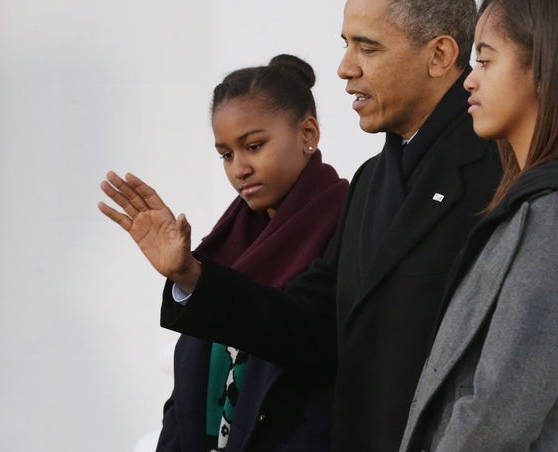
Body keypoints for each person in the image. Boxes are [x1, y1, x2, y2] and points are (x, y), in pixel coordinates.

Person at [98, 0, 503, 451]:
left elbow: (505, 364)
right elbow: (309, 326)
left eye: (367, 48)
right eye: (346, 45)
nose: (344, 68)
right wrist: (191, 276)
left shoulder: (502, 171)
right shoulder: (372, 182)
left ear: (441, 55)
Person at [147, 55, 349, 452]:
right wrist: (186, 276)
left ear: (308, 133)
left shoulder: (348, 223)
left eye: (254, 146)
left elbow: (331, 395)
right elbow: (185, 400)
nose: (239, 168)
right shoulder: (226, 243)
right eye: (226, 154)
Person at [399, 0, 558, 450]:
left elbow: (499, 409)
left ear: (543, 69)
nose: (470, 79)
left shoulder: (549, 217)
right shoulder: (529, 204)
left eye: (485, 60)